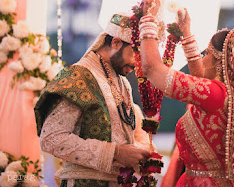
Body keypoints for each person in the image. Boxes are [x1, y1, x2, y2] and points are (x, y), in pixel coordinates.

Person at [139, 0, 234, 186]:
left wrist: (148, 20)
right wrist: (186, 32)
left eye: (207, 53)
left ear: (220, 62)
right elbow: (200, 79)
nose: (202, 57)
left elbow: (152, 69)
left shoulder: (215, 94)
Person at [34, 12, 152, 187]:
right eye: (135, 52)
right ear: (116, 42)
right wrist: (116, 153)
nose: (138, 64)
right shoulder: (79, 76)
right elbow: (51, 139)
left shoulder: (122, 82)